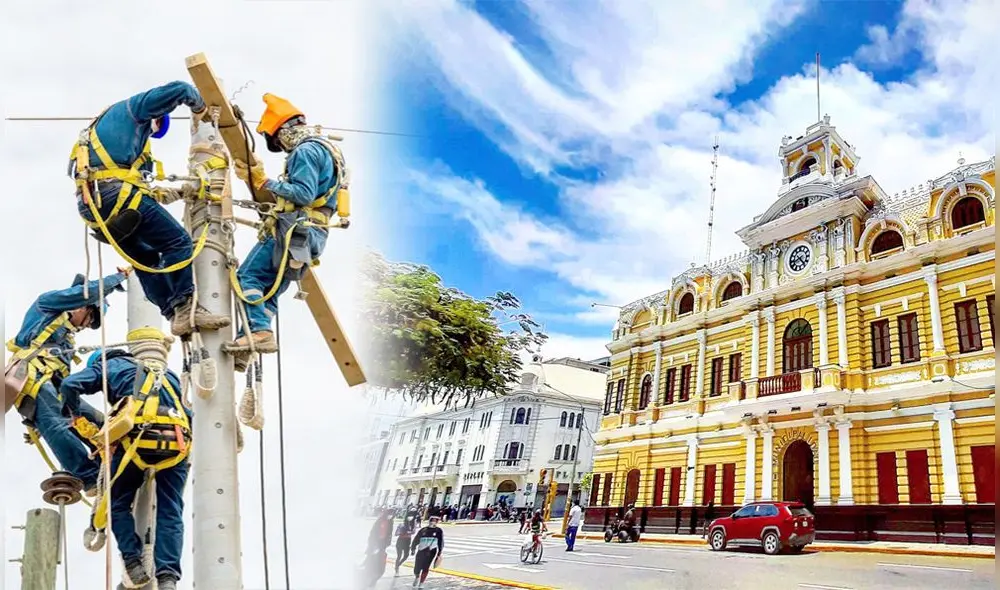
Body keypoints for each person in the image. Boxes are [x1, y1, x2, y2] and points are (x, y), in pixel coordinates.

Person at [69, 81, 231, 338]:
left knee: (147, 260)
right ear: (157, 116)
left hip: (96, 209)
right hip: (117, 197)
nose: (150, 134)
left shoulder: (101, 140)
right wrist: (202, 110)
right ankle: (186, 306)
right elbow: (181, 89)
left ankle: (173, 313)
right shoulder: (133, 110)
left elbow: (138, 186)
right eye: (154, 127)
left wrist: (177, 193)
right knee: (177, 242)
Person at [60, 328, 191, 590]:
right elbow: (188, 411)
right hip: (177, 442)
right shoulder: (170, 376)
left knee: (117, 503)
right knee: (171, 509)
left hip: (138, 441)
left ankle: (133, 562)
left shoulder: (109, 366)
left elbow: (69, 385)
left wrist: (71, 413)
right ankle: (167, 578)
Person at [227, 93, 350, 360]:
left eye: (279, 140)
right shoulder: (330, 151)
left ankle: (258, 330)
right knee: (268, 290)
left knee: (247, 277)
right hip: (313, 236)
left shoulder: (305, 151)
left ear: (284, 130)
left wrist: (263, 182)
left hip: (294, 230)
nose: (282, 147)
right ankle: (251, 335)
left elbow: (303, 194)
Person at [6, 271, 127, 493]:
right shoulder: (47, 306)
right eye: (91, 319)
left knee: (100, 422)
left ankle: (112, 463)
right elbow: (86, 292)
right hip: (32, 378)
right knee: (58, 422)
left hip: (53, 386)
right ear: (84, 306)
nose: (86, 326)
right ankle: (90, 477)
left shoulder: (65, 340)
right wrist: (118, 279)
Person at [410, 514, 444, 588]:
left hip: (431, 551)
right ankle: (417, 576)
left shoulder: (438, 531)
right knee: (417, 567)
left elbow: (441, 541)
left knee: (426, 567)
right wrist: (413, 548)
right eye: (432, 521)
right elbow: (416, 539)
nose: (433, 522)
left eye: (435, 521)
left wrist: (439, 552)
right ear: (429, 521)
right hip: (421, 550)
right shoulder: (423, 530)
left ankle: (421, 583)